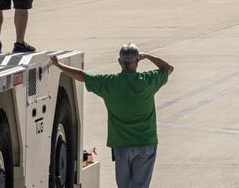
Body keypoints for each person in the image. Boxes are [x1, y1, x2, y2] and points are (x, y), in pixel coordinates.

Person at [51, 45, 173, 188]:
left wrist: (58, 64)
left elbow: (81, 75)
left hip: (121, 145)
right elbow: (168, 68)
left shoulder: (109, 83)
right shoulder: (147, 81)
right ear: (137, 61)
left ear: (119, 62)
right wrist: (148, 56)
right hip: (145, 143)